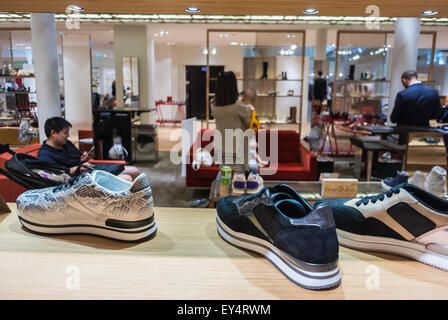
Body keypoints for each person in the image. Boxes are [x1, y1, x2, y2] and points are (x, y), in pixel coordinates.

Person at [38, 117, 140, 182]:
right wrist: (79, 167)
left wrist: (85, 157)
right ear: (53, 133)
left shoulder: (66, 144)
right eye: (65, 133)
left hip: (90, 170)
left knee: (135, 171)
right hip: (79, 180)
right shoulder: (45, 155)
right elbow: (57, 175)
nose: (68, 135)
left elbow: (79, 158)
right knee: (127, 178)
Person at [211, 71, 252, 173]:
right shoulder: (239, 106)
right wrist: (249, 110)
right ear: (234, 86)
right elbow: (249, 124)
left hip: (221, 146)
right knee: (238, 181)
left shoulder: (213, 104)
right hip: (237, 148)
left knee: (225, 178)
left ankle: (220, 189)